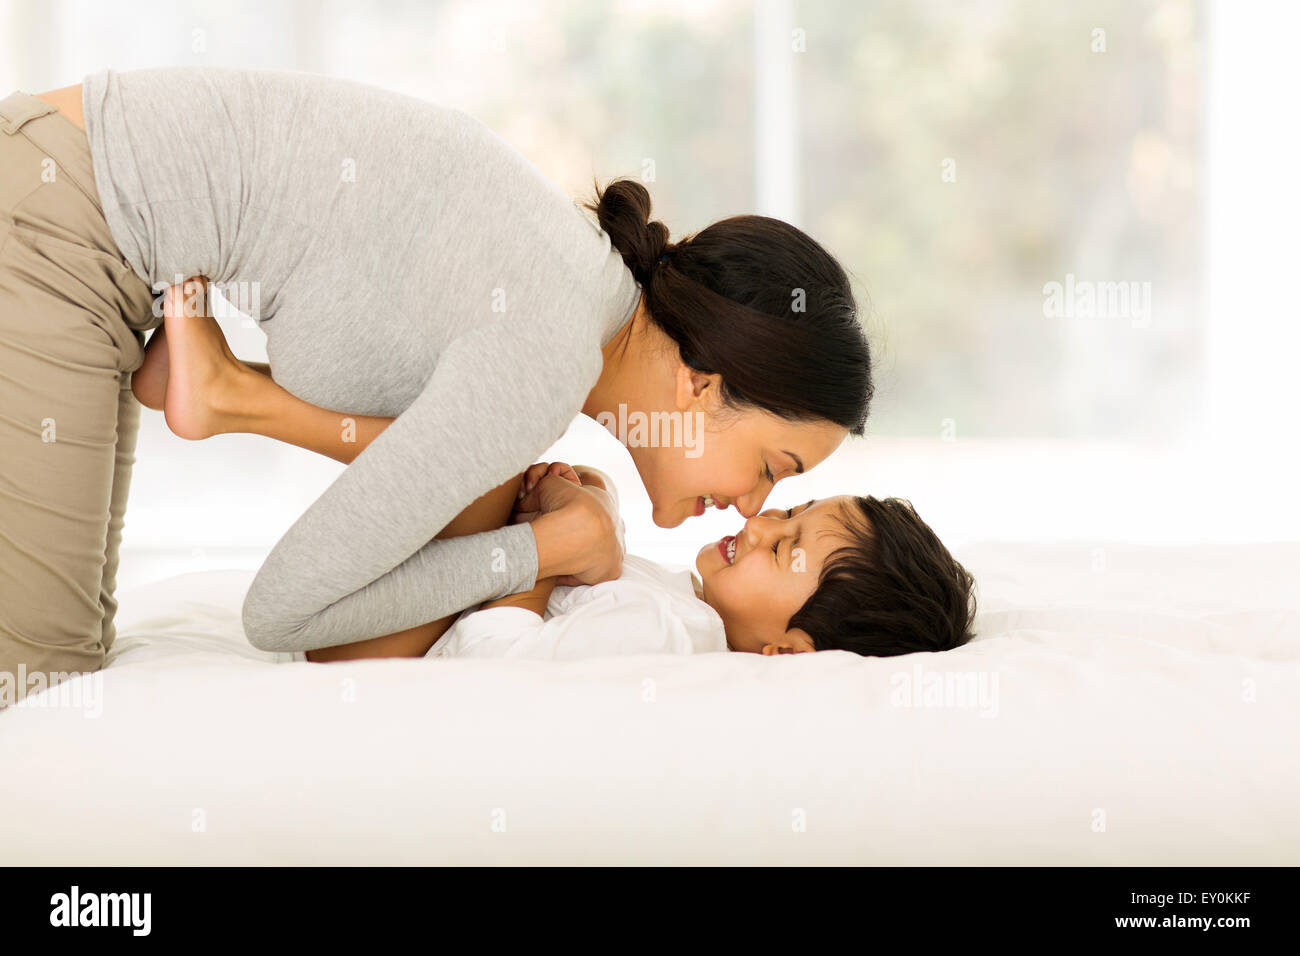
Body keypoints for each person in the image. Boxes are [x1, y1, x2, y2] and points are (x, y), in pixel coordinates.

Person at [0, 66, 872, 702]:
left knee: (68, 648)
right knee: (39, 694)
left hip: (87, 209)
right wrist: (546, 553)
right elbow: (282, 615)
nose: (757, 508)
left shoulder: (573, 300)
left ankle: (229, 393)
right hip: (63, 225)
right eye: (775, 468)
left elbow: (423, 459)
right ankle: (227, 394)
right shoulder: (545, 358)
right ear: (703, 387)